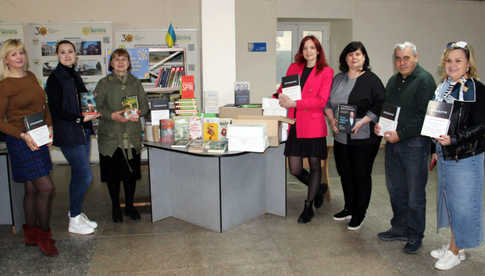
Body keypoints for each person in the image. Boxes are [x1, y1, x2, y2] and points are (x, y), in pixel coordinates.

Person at [374, 41, 436, 253]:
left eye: (406, 58)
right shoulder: (393, 81)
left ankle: (415, 234)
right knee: (396, 189)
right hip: (393, 144)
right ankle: (399, 227)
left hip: (415, 145)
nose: (402, 62)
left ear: (416, 58)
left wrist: (400, 134)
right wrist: (380, 127)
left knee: (414, 194)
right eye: (398, 58)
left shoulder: (425, 80)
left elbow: (424, 117)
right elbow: (387, 110)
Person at [429, 41, 485, 270]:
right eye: (449, 60)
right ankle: (456, 245)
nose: (452, 65)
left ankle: (455, 249)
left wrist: (455, 139)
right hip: (445, 154)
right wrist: (435, 146)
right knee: (450, 202)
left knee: (463, 204)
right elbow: (437, 120)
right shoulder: (444, 87)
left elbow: (482, 125)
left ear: (468, 64)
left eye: (458, 60)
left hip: (465, 157)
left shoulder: (477, 89)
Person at [0, 39, 58, 256]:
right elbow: (0, 121)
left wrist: (50, 126)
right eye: (13, 54)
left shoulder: (31, 76)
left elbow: (43, 105)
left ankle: (30, 233)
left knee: (32, 189)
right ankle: (44, 235)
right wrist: (22, 136)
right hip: (21, 140)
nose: (19, 57)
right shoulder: (4, 86)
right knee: (47, 188)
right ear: (6, 59)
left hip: (39, 136)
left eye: (21, 53)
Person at [325, 41, 385, 230]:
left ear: (364, 58)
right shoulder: (338, 79)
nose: (354, 57)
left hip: (364, 136)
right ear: (345, 58)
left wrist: (362, 121)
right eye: (350, 54)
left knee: (361, 174)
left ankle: (360, 213)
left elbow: (380, 104)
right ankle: (349, 207)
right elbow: (327, 103)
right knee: (344, 173)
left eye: (358, 54)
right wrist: (332, 121)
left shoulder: (371, 80)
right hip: (341, 136)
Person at [276, 35, 333, 224]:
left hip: (314, 125)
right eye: (305, 48)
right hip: (296, 123)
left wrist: (296, 102)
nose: (308, 51)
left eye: (312, 47)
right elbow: (285, 90)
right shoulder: (294, 68)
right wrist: (278, 94)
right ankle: (317, 189)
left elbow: (321, 101)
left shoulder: (326, 71)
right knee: (295, 168)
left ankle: (309, 206)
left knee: (315, 166)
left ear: (318, 50)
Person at [45, 40, 99, 235]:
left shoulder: (73, 74)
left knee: (78, 174)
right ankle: (74, 219)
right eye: (62, 52)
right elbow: (56, 109)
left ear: (76, 54)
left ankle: (75, 213)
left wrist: (91, 112)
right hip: (69, 133)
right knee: (85, 175)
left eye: (70, 52)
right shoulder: (55, 78)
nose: (67, 55)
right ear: (57, 56)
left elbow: (83, 101)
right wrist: (79, 117)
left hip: (82, 130)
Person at [95, 48, 149, 223]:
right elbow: (96, 108)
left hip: (131, 136)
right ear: (111, 64)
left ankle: (130, 206)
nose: (120, 62)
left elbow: (145, 106)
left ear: (129, 63)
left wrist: (139, 111)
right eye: (116, 59)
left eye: (124, 59)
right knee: (113, 176)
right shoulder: (104, 83)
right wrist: (112, 115)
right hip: (111, 137)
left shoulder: (136, 83)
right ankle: (115, 207)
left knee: (130, 175)